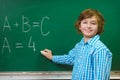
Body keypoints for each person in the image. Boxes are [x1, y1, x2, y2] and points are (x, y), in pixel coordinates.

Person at [40, 8, 112, 80]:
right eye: (85, 22)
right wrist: (52, 57)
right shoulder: (80, 45)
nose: (88, 26)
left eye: (93, 23)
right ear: (79, 26)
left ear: (99, 27)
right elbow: (71, 58)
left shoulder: (100, 50)